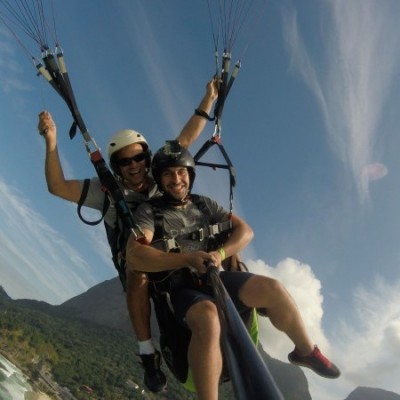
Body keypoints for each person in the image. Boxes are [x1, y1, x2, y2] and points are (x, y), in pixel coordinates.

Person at [37, 78, 218, 393]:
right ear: (116, 166)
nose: (133, 165)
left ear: (148, 158)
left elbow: (185, 141)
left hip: (176, 257)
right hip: (139, 263)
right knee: (139, 273)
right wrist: (51, 141)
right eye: (124, 161)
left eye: (138, 158)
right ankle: (148, 354)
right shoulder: (105, 192)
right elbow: (57, 187)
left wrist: (209, 99)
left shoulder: (162, 176)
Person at [126, 142, 341, 400]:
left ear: (190, 175)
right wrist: (187, 259)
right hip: (181, 286)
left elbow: (245, 231)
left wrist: (220, 254)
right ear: (160, 179)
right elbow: (136, 254)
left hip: (214, 274)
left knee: (272, 289)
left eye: (181, 172)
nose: (176, 179)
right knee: (208, 316)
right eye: (168, 174)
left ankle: (305, 351)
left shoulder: (205, 205)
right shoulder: (150, 212)